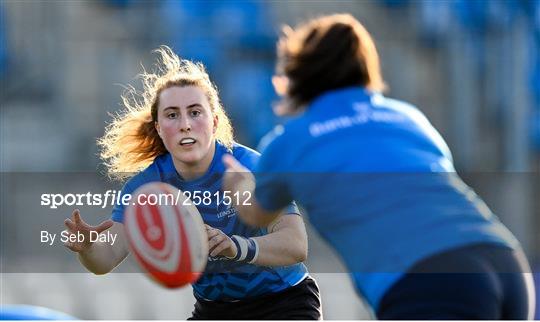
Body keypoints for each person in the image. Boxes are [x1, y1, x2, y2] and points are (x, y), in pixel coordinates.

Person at [222, 14, 536, 319]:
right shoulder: (409, 117)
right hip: (506, 262)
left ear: (299, 74)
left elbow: (257, 214)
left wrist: (237, 184)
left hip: (428, 281)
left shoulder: (290, 141)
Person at [63, 46, 322, 320]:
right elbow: (108, 257)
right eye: (172, 115)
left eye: (195, 112)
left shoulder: (248, 166)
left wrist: (235, 247)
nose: (185, 124)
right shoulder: (147, 187)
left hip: (283, 303)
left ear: (214, 122)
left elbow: (296, 245)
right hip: (214, 310)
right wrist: (89, 248)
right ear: (159, 128)